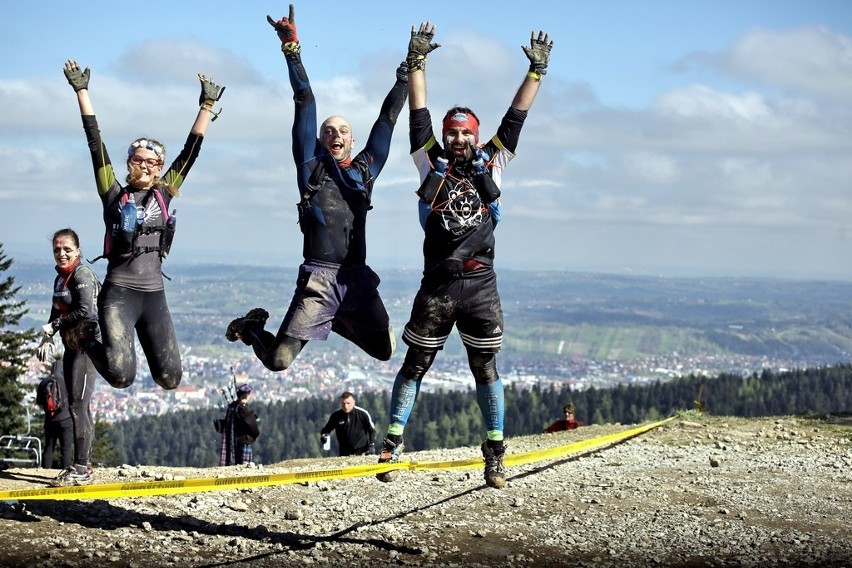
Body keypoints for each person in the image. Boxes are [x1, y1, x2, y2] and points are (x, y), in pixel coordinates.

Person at [376, 23, 553, 490]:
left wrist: (535, 71)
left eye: (464, 133)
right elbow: (419, 112)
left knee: (485, 369)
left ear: (476, 137)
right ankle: (392, 442)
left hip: (480, 286)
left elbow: (516, 118)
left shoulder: (493, 160)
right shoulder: (428, 159)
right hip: (437, 284)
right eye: (452, 133)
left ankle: (495, 452)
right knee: (415, 364)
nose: (456, 140)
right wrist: (416, 63)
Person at [225, 4, 407, 371]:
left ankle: (334, 319)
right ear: (320, 140)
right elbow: (304, 100)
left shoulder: (366, 171)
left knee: (385, 350)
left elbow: (387, 119)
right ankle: (250, 328)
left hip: (356, 278)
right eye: (328, 130)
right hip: (319, 279)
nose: (334, 134)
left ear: (353, 142)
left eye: (342, 130)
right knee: (278, 360)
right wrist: (292, 50)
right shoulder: (311, 168)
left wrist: (407, 74)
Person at [62, 59, 225, 391]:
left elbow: (190, 153)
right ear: (129, 162)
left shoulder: (165, 192)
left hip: (154, 295)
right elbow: (96, 144)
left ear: (160, 167)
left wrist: (207, 106)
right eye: (139, 159)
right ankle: (83, 336)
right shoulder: (112, 192)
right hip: (119, 294)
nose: (146, 166)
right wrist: (82, 91)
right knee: (121, 376)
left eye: (153, 162)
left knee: (170, 378)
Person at [35, 228, 100, 485]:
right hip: (72, 346)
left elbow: (85, 310)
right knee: (76, 404)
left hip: (87, 347)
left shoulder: (81, 274)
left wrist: (55, 326)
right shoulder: (60, 278)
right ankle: (82, 465)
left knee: (78, 405)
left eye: (67, 250)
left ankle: (82, 468)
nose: (61, 254)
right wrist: (48, 335)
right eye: (57, 250)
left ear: (78, 251)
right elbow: (56, 309)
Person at [36, 360, 73, 472]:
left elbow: (39, 402)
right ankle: (65, 472)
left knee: (48, 447)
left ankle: (45, 471)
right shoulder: (67, 381)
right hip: (66, 420)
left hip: (49, 420)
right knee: (66, 449)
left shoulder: (44, 382)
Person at [320, 392, 376, 456]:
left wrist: (372, 445)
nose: (346, 406)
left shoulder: (363, 414)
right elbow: (326, 430)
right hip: (344, 454)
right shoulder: (336, 416)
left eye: (348, 403)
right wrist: (323, 436)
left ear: (354, 402)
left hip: (363, 452)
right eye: (343, 404)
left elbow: (372, 431)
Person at [219, 384, 260, 466]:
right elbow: (254, 429)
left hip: (232, 444)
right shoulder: (245, 411)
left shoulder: (232, 407)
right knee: (244, 468)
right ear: (246, 395)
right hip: (244, 442)